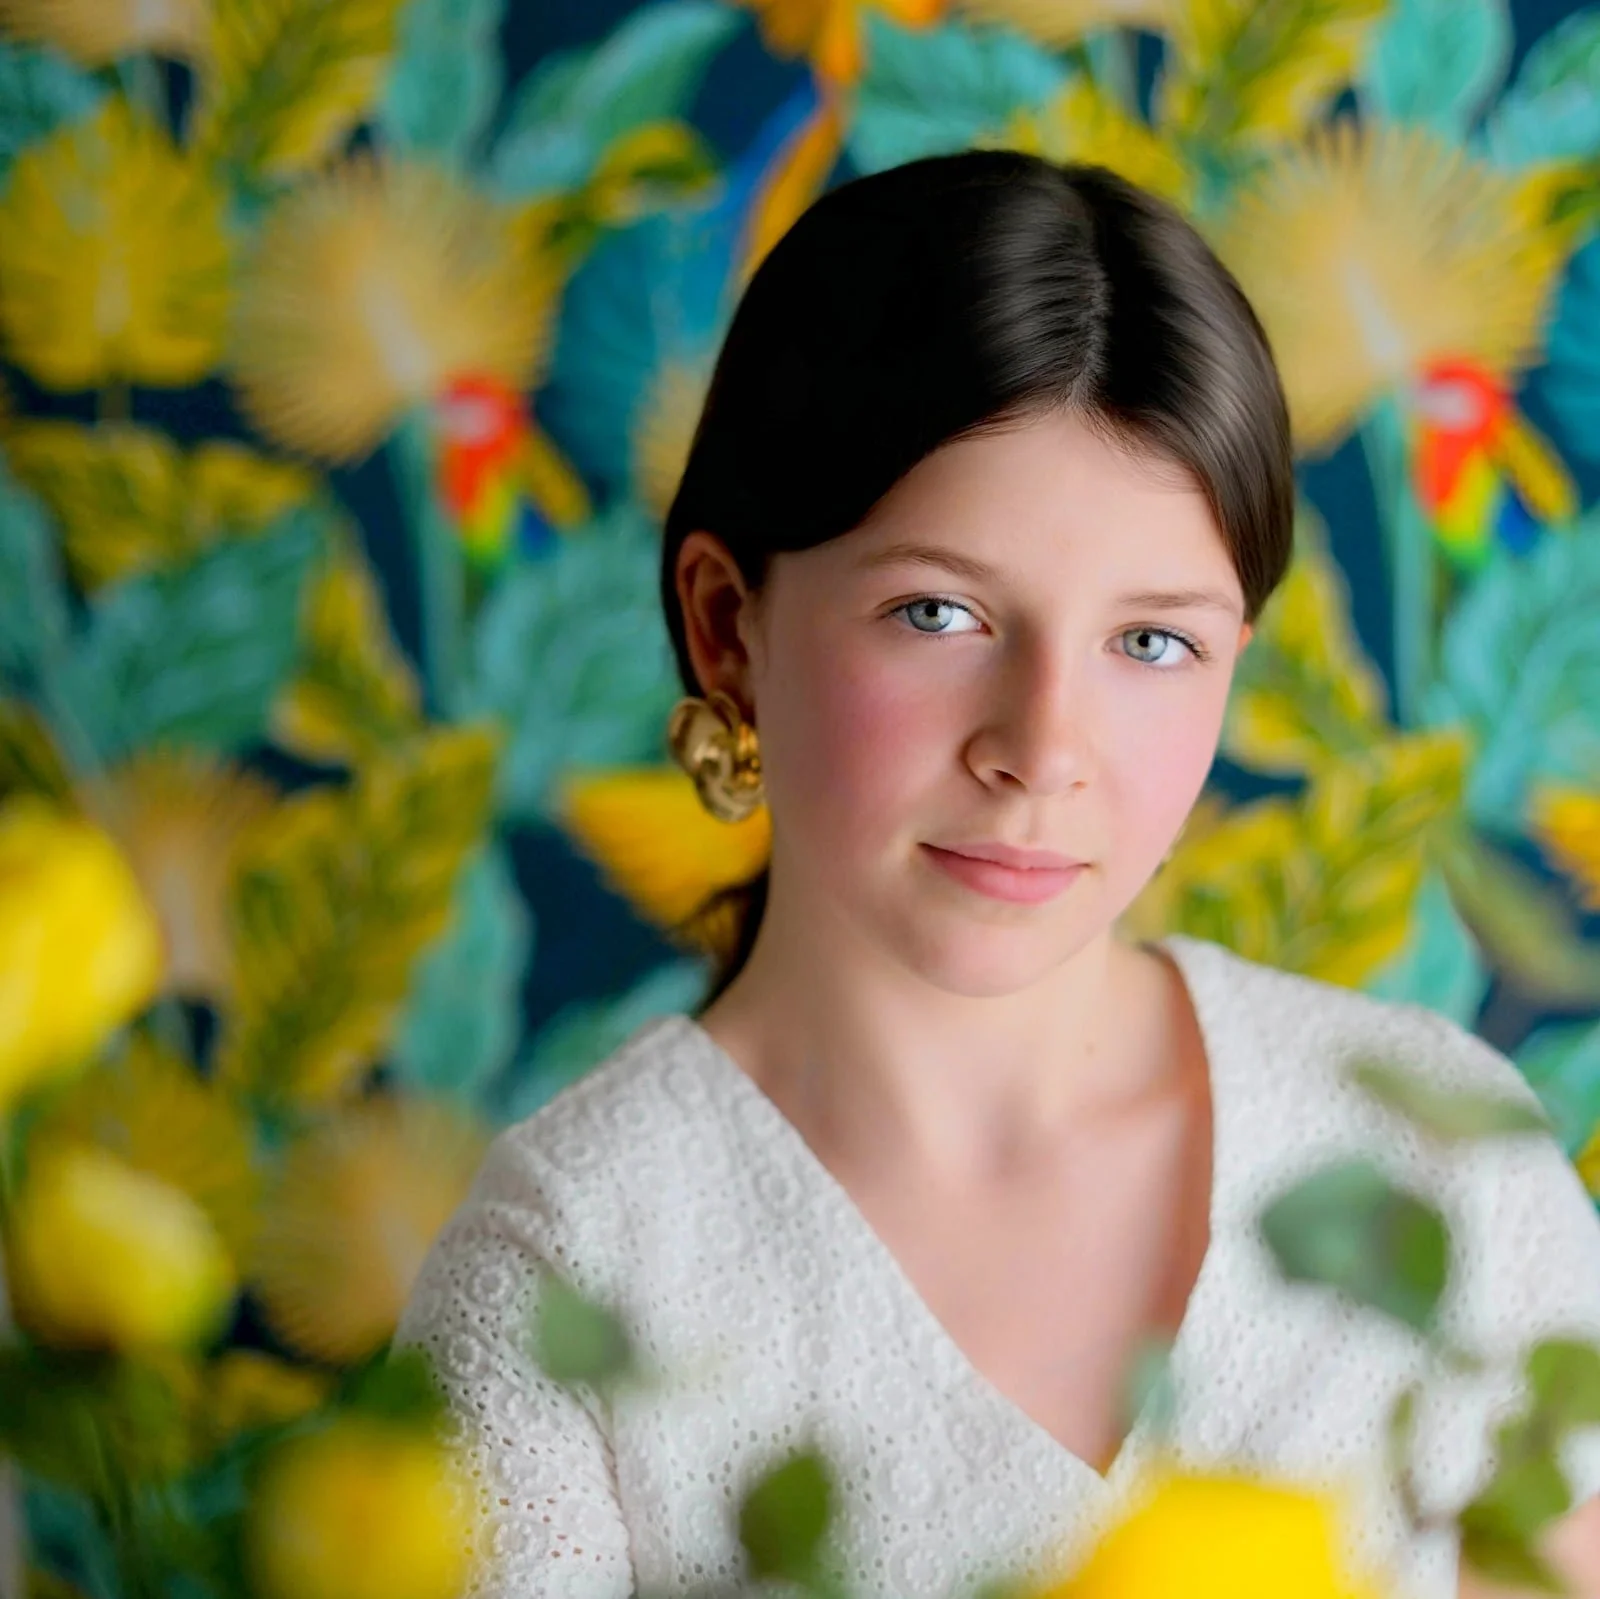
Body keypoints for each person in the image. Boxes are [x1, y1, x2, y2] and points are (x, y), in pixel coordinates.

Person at [393, 149, 1600, 1599]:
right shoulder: (561, 1279)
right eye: (940, 610)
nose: (1044, 748)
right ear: (728, 629)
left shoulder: (1444, 1158)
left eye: (1152, 640)